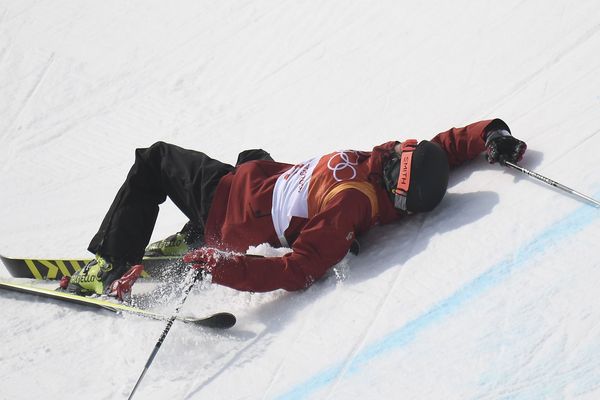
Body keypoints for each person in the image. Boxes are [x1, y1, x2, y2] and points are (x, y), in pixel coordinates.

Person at [61, 119, 526, 299]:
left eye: (394, 174)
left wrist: (228, 268)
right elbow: (444, 146)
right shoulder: (390, 160)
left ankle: (110, 262)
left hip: (230, 208)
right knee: (251, 153)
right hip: (251, 181)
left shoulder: (349, 207)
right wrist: (492, 136)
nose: (393, 156)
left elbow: (298, 269)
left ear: (397, 194)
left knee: (155, 160)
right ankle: (194, 231)